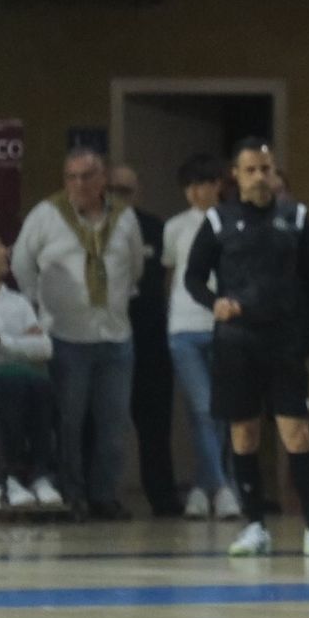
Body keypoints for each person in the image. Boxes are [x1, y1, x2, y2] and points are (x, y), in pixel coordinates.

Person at [184, 138, 309, 558]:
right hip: (237, 341)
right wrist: (214, 303)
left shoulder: (295, 217)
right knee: (244, 432)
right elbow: (193, 277)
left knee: (295, 431)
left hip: (287, 340)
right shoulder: (219, 221)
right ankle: (254, 524)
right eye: (252, 170)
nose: (261, 177)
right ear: (235, 177)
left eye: (267, 169)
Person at [11, 148, 144, 520]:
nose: (79, 184)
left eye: (87, 176)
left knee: (113, 425)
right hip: (65, 337)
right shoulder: (47, 214)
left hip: (115, 337)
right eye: (71, 177)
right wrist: (36, 307)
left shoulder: (124, 217)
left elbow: (135, 267)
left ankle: (104, 495)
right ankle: (73, 495)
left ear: (103, 179)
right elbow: (22, 262)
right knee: (68, 423)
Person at [162, 154, 238, 520]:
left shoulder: (232, 222)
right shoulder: (175, 227)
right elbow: (171, 275)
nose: (197, 191)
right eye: (190, 186)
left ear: (218, 186)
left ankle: (201, 487)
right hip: (184, 329)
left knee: (217, 412)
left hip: (223, 327)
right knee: (203, 407)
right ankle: (222, 487)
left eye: (205, 183)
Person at [111, 164, 181, 517]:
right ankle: (100, 496)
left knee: (155, 424)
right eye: (114, 189)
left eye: (127, 190)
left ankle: (163, 497)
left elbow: (170, 280)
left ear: (136, 192)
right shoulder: (93, 227)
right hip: (108, 338)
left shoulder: (156, 227)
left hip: (152, 339)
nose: (119, 197)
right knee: (105, 423)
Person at [0, 230, 63, 509]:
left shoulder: (17, 301)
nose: (5, 251)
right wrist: (21, 346)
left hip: (20, 378)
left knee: (41, 387)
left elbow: (44, 348)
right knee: (13, 388)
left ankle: (40, 475)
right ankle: (9, 478)